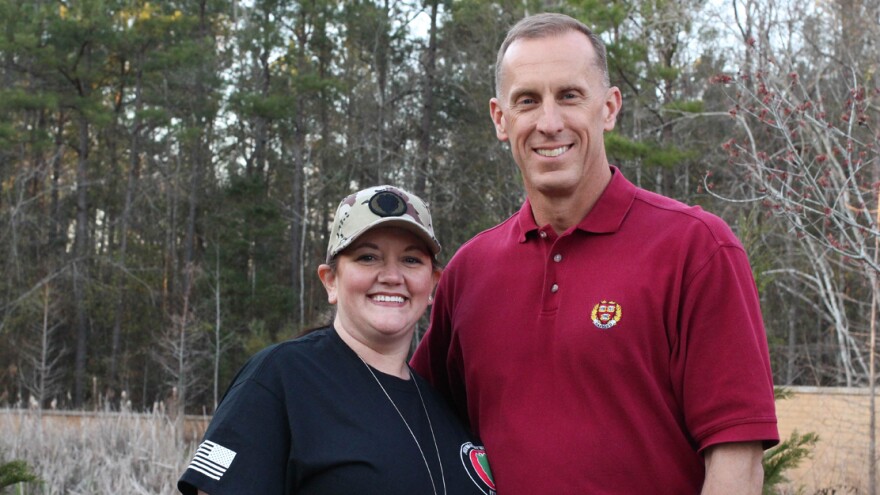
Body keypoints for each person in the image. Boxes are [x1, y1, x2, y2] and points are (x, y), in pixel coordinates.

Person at [410, 12, 779, 494]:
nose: (549, 122)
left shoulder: (696, 249)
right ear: (501, 119)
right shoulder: (469, 273)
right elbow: (413, 427)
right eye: (527, 100)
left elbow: (737, 463)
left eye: (569, 95)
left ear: (608, 107)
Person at [178, 185, 496, 495]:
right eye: (368, 258)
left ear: (432, 285)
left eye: (410, 260)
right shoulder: (282, 378)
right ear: (330, 280)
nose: (391, 276)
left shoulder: (446, 405)